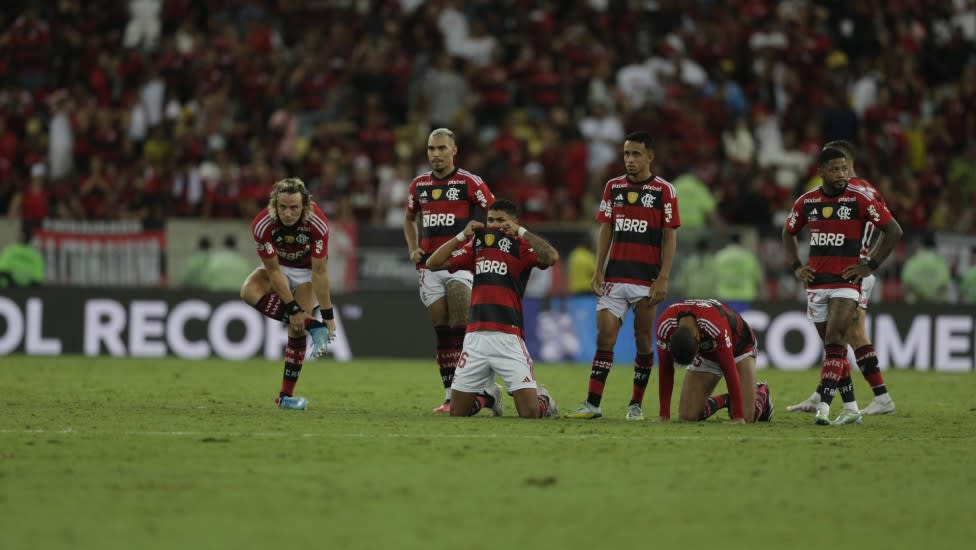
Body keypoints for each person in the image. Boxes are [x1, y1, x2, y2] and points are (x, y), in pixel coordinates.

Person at [782, 147, 903, 425]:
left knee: (846, 335)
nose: (840, 173)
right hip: (822, 280)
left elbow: (891, 228)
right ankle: (850, 404)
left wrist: (870, 264)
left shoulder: (860, 194)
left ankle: (834, 401)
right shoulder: (809, 200)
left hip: (851, 274)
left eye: (843, 167)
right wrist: (797, 267)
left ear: (849, 163)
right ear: (821, 170)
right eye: (834, 168)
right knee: (839, 340)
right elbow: (788, 232)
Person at [566, 131, 680, 421]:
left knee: (643, 340)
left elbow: (669, 237)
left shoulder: (664, 191)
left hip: (646, 279)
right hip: (615, 277)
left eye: (636, 154)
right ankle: (593, 403)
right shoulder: (612, 187)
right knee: (605, 337)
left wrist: (663, 277)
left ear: (650, 157)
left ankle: (635, 405)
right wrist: (598, 269)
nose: (629, 159)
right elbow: (606, 228)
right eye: (626, 154)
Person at [425, 198, 560, 419]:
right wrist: (462, 235)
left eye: (501, 220)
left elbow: (551, 257)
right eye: (491, 220)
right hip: (475, 338)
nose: (495, 225)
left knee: (530, 413)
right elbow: (433, 263)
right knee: (458, 412)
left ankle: (543, 398)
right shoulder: (477, 245)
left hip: (508, 336)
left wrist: (522, 232)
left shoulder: (523, 247)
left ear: (514, 222)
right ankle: (489, 397)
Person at [404, 128, 495, 413]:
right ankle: (450, 396)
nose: (436, 154)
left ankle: (479, 389)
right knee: (442, 331)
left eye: (442, 148)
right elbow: (409, 219)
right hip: (429, 265)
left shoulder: (471, 182)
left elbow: (492, 215)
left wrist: (482, 248)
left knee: (461, 325)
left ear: (454, 151)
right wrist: (413, 247)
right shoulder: (418, 185)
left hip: (461, 263)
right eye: (431, 149)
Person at [240, 178, 335, 410]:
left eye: (294, 207)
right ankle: (312, 325)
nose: (288, 213)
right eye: (283, 207)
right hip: (278, 269)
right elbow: (273, 270)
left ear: (305, 205)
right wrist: (292, 308)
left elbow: (320, 273)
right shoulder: (263, 224)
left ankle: (284, 396)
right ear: (274, 204)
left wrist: (328, 316)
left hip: (306, 273)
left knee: (295, 329)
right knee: (248, 292)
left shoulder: (318, 223)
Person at [655, 299, 773, 423]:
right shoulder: (665, 325)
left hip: (739, 349)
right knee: (687, 416)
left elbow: (729, 370)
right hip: (707, 353)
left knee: (747, 417)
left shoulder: (714, 326)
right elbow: (665, 367)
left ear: (697, 337)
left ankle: (761, 391)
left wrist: (738, 416)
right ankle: (727, 400)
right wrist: (664, 414)